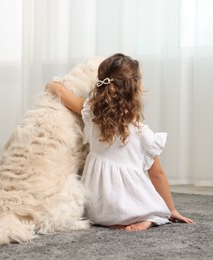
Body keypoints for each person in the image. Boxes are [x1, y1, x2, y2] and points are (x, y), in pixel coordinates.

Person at [46, 53, 194, 231]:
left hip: (96, 204)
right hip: (126, 203)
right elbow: (157, 174)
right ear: (135, 89)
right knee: (156, 210)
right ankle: (146, 219)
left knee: (97, 213)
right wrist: (171, 209)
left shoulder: (92, 113)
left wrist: (50, 84)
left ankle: (110, 220)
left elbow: (58, 90)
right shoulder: (142, 133)